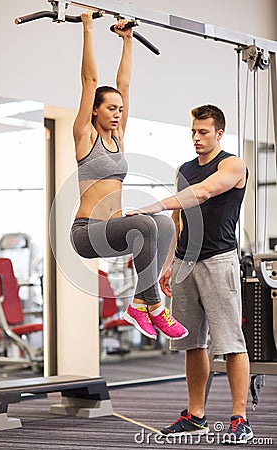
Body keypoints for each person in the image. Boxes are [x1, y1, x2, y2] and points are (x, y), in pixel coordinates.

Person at [126, 105, 253, 444]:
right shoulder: (184, 169)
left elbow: (204, 192)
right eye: (193, 132)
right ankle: (195, 415)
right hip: (185, 261)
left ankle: (240, 418)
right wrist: (169, 263)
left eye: (204, 132)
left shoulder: (232, 164)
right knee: (190, 342)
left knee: (229, 343)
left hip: (218, 261)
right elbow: (180, 219)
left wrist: (152, 206)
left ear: (219, 134)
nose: (197, 138)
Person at [70, 11, 188, 342]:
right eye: (110, 108)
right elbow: (90, 81)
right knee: (147, 224)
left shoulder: (119, 137)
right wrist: (88, 28)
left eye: (120, 109)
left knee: (163, 223)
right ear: (95, 110)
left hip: (113, 230)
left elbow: (123, 84)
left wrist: (127, 40)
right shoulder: (84, 136)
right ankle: (152, 304)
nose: (118, 113)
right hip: (86, 232)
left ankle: (140, 302)